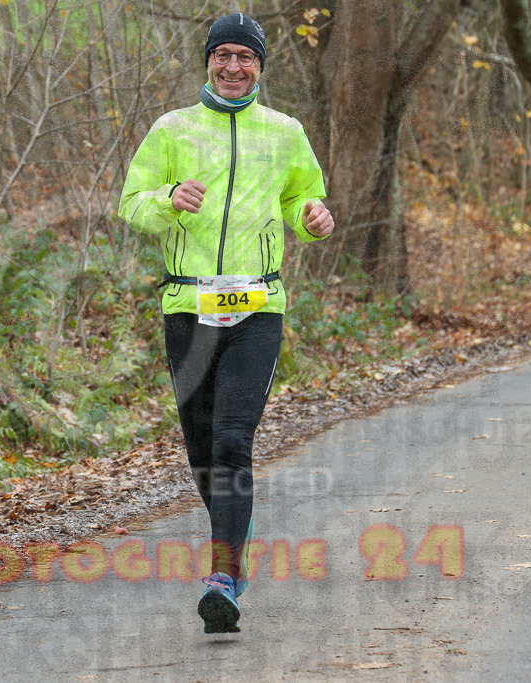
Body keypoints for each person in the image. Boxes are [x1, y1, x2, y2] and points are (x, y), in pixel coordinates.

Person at [118, 12, 334, 634]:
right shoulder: (172, 129)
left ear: (261, 66)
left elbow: (302, 197)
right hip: (188, 305)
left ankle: (221, 575)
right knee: (202, 445)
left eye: (246, 57)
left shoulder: (285, 132)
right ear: (208, 61)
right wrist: (167, 201)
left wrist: (311, 216)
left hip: (257, 306)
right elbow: (132, 203)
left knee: (234, 438)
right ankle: (234, 561)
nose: (234, 66)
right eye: (224, 55)